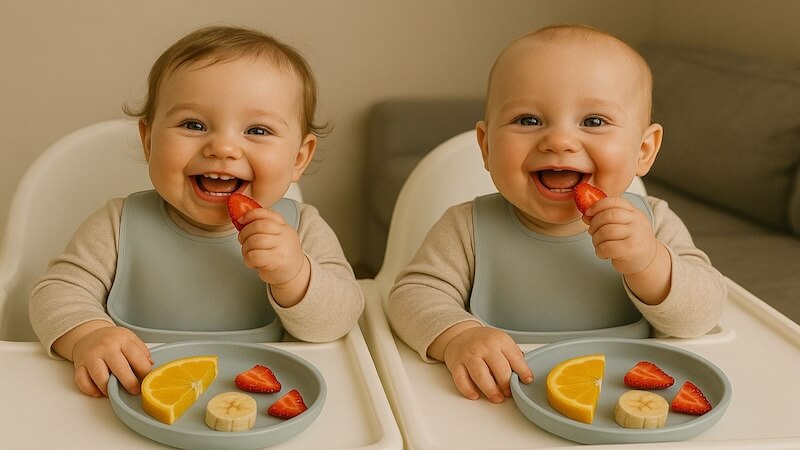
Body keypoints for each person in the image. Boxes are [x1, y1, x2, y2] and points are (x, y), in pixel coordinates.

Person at [386, 24, 725, 404]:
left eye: (593, 121)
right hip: (502, 393)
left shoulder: (654, 222)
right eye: (528, 120)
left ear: (644, 150)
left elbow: (704, 314)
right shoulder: (466, 227)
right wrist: (458, 336)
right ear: (487, 147)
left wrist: (650, 263)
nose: (559, 141)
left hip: (621, 395)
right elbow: (411, 296)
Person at [29, 25, 364, 398]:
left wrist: (295, 275)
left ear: (299, 158)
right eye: (194, 125)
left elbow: (341, 318)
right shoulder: (118, 224)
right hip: (136, 394)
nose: (222, 148)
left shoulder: (302, 229)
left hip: (255, 402)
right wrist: (88, 335)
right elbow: (55, 292)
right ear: (149, 141)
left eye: (257, 130)